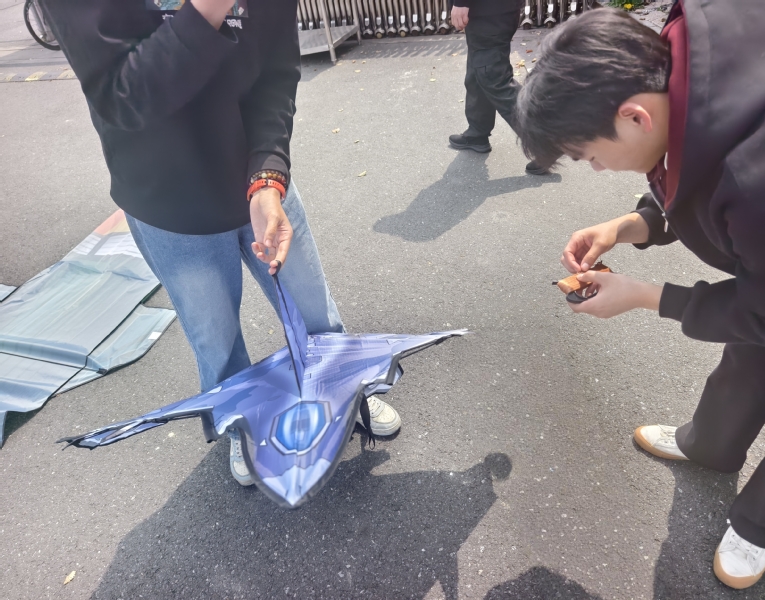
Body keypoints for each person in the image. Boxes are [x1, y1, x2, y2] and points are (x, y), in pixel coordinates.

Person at [41, 0, 401, 487]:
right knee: (216, 339)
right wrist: (207, 9)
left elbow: (276, 71)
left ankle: (345, 391)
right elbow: (122, 97)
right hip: (167, 204)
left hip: (258, 182)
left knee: (313, 307)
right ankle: (240, 422)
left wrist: (269, 175)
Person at [515, 2, 765, 590]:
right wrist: (630, 225)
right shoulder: (681, 48)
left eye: (591, 156)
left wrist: (646, 296)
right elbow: (691, 159)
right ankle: (710, 445)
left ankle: (761, 522)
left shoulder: (764, 183)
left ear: (634, 117)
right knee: (749, 352)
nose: (596, 170)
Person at [449, 0, 547, 175]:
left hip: (489, 10)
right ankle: (477, 132)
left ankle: (546, 140)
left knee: (492, 75)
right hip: (488, 9)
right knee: (479, 68)